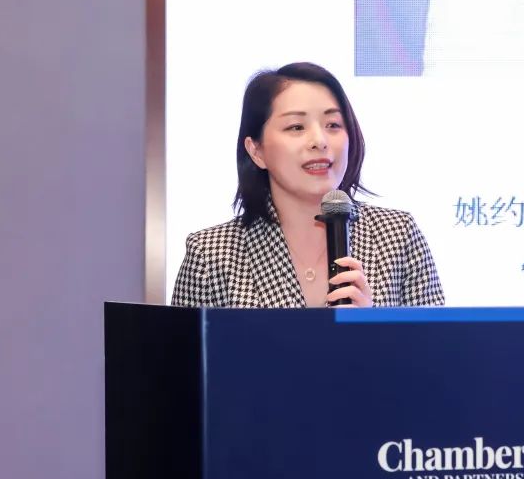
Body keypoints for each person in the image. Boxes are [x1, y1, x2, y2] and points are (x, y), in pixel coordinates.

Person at [171, 62, 445, 308]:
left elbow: (436, 348)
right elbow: (183, 351)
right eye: (296, 127)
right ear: (256, 151)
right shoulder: (211, 255)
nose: (319, 141)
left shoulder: (398, 236)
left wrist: (372, 331)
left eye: (333, 124)